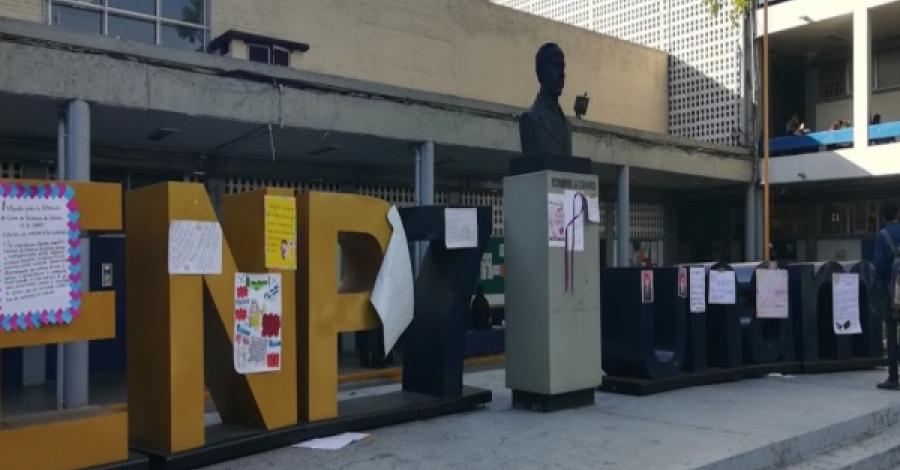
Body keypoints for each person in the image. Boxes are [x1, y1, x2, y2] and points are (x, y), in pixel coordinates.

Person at [519, 43, 573, 159]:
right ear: (541, 72)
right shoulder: (530, 119)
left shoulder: (567, 125)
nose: (561, 74)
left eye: (562, 67)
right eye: (555, 66)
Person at [874, 201, 900, 390]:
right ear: (898, 214)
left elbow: (879, 265)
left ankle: (893, 378)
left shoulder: (882, 236)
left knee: (891, 333)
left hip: (891, 294)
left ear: (883, 217)